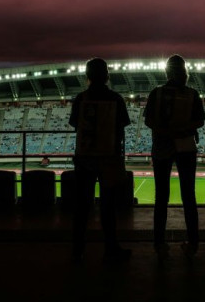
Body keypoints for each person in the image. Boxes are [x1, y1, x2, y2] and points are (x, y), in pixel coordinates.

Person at [69, 57, 132, 264]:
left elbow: (75, 125)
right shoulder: (116, 99)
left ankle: (77, 250)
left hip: (85, 158)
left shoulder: (80, 98)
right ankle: (111, 248)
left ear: (87, 76)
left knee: (82, 207)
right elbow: (121, 129)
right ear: (107, 76)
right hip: (108, 159)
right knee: (108, 207)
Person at [145, 54, 205, 260]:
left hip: (162, 146)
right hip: (186, 146)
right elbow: (200, 121)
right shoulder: (192, 93)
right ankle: (193, 243)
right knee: (189, 196)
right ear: (185, 72)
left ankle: (159, 243)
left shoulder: (157, 93)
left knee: (161, 196)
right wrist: (182, 129)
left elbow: (149, 121)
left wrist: (166, 131)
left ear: (167, 72)